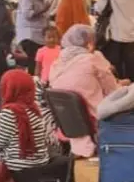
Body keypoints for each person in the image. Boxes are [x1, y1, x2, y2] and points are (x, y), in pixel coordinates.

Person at [49, 24, 128, 157]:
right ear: (90, 44)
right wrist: (124, 86)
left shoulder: (55, 65)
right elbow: (113, 92)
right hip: (98, 126)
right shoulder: (92, 60)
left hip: (71, 131)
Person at [16, 0, 52, 75]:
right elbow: (28, 14)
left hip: (38, 36)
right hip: (30, 37)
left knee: (38, 63)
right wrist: (43, 9)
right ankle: (33, 85)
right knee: (34, 63)